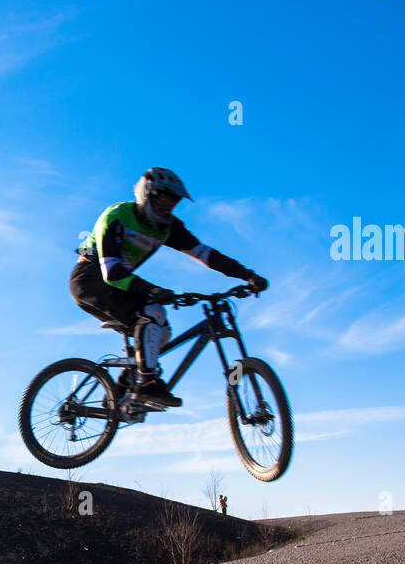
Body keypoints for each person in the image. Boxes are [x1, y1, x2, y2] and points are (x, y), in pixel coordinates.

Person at [72, 167, 267, 407]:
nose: (167, 208)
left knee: (161, 332)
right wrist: (152, 291)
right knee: (153, 313)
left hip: (121, 284)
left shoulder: (167, 227)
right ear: (147, 195)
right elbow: (112, 273)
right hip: (90, 280)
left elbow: (204, 254)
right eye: (163, 201)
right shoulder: (116, 216)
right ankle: (146, 383)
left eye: (173, 203)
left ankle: (124, 387)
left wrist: (246, 275)